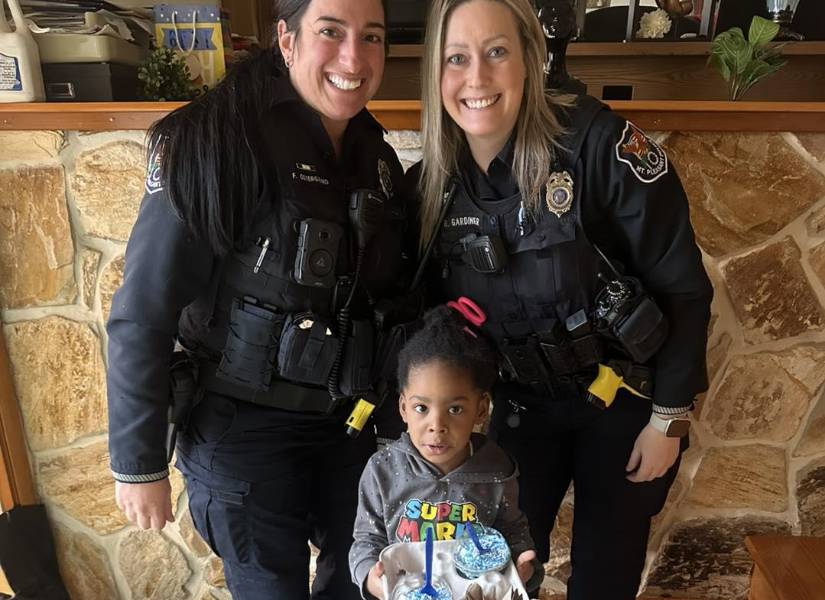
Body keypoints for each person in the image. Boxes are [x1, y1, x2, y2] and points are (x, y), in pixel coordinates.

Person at [106, 1, 414, 598]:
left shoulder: (375, 155)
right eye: (331, 31)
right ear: (287, 39)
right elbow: (144, 305)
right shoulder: (212, 136)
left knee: (356, 585)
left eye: (371, 37)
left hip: (345, 429)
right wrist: (138, 460)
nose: (354, 57)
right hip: (240, 430)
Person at [407, 0, 714, 598]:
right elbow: (425, 324)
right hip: (516, 412)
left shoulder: (601, 148)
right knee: (495, 573)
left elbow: (683, 286)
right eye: (456, 59)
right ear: (435, 74)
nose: (477, 79)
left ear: (530, 57)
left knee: (606, 575)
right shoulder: (433, 185)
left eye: (497, 52)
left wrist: (668, 420)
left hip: (621, 405)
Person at [349, 303, 540, 600]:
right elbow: (366, 540)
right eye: (421, 408)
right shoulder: (383, 470)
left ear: (480, 409)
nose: (436, 425)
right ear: (403, 407)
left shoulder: (497, 471)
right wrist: (370, 578)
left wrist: (522, 567)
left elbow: (512, 531)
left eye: (455, 409)